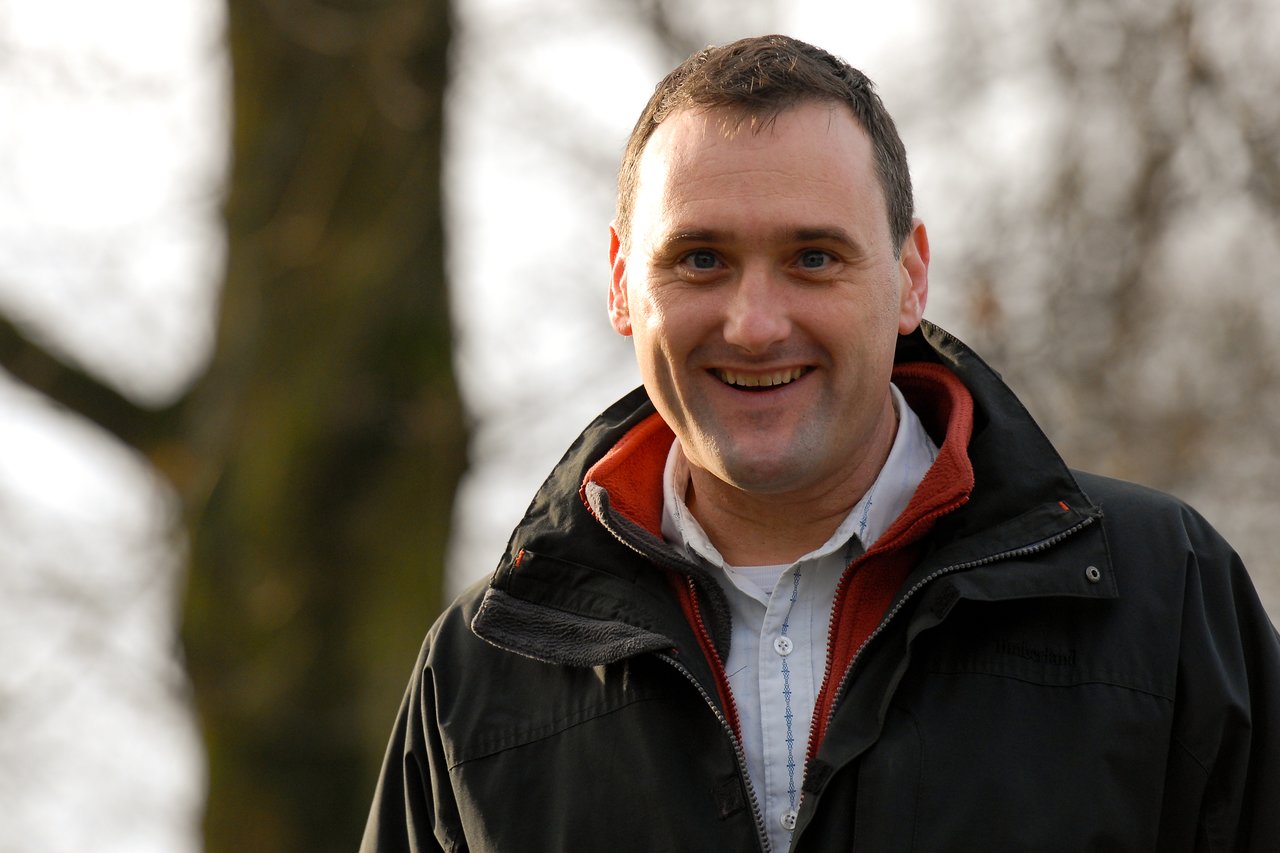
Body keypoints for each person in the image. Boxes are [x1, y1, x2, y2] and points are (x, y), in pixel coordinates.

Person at [361, 35, 1280, 852]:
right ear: (620, 283)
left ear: (911, 276)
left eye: (814, 258)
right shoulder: (482, 675)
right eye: (699, 259)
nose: (756, 325)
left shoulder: (1164, 594)